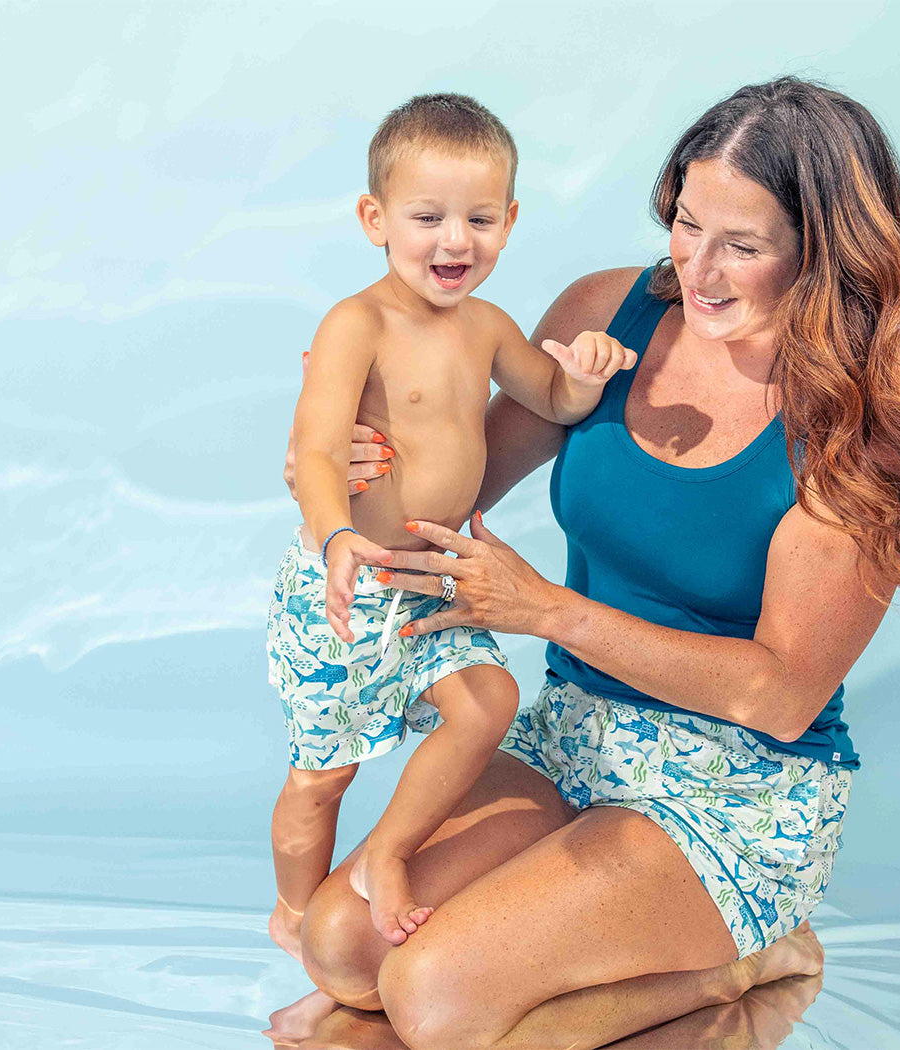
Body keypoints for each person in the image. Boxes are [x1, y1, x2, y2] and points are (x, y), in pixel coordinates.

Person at [275, 78, 900, 1049]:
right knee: (342, 945)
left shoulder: (855, 434)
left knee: (433, 998)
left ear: (819, 251)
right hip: (572, 735)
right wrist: (346, 451)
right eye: (686, 223)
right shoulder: (609, 315)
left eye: (742, 246)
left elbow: (781, 695)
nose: (697, 270)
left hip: (737, 785)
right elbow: (450, 499)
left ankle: (748, 959)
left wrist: (548, 613)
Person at [266, 92, 635, 956]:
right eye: (427, 217)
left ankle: (383, 856)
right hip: (348, 586)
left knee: (489, 699)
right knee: (324, 778)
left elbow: (544, 400)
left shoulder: (490, 326)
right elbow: (316, 452)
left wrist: (582, 377)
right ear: (375, 219)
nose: (454, 241)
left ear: (509, 222)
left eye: (478, 218)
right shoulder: (357, 324)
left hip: (429, 580)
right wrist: (337, 538)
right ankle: (290, 914)